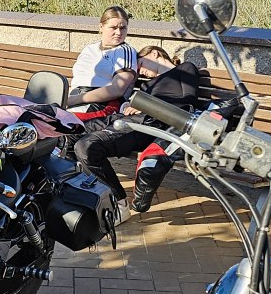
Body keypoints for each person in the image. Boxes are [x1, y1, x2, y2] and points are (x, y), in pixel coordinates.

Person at [74, 45, 199, 213]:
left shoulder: (185, 69)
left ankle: (118, 203)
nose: (139, 71)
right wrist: (129, 105)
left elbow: (186, 104)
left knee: (86, 147)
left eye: (140, 64)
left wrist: (147, 107)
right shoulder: (147, 85)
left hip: (148, 124)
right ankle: (75, 194)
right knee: (69, 131)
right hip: (125, 119)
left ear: (154, 53)